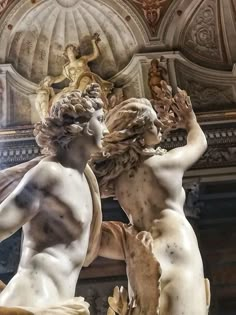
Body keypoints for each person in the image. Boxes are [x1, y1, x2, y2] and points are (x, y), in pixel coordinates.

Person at [92, 92, 211, 315]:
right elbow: (199, 143)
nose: (159, 124)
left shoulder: (118, 180)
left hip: (142, 251)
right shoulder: (165, 164)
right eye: (152, 121)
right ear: (138, 130)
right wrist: (190, 121)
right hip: (178, 245)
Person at [0, 83, 107, 314]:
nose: (105, 130)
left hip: (62, 302)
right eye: (100, 119)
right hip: (32, 301)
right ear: (82, 125)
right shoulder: (48, 174)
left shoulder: (87, 179)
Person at [48, 34, 113, 106]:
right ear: (66, 53)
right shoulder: (66, 68)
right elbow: (59, 78)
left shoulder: (83, 59)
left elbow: (95, 55)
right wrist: (49, 80)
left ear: (76, 52)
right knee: (59, 97)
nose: (71, 50)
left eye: (73, 48)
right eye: (69, 49)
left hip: (85, 77)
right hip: (74, 84)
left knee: (83, 81)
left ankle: (78, 99)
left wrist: (94, 42)